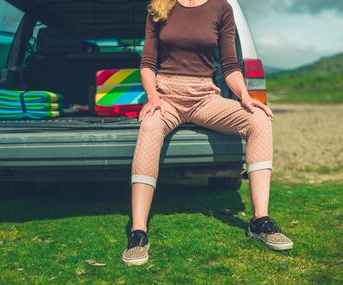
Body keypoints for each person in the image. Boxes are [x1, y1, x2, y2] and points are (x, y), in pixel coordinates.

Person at [122, 0, 293, 266]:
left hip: (205, 98)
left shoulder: (222, 8)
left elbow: (230, 66)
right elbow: (147, 62)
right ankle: (138, 233)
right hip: (166, 96)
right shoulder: (158, 5)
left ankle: (260, 220)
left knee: (259, 118)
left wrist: (245, 97)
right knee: (150, 126)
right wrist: (153, 97)